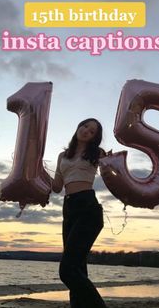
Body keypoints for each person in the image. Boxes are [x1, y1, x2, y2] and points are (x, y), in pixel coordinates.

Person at [52, 118, 107, 308]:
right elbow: (57, 187)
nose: (86, 131)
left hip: (88, 208)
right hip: (69, 209)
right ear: (78, 127)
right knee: (78, 269)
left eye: (92, 131)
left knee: (67, 271)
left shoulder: (97, 154)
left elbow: (114, 171)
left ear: (95, 138)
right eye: (85, 126)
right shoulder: (62, 156)